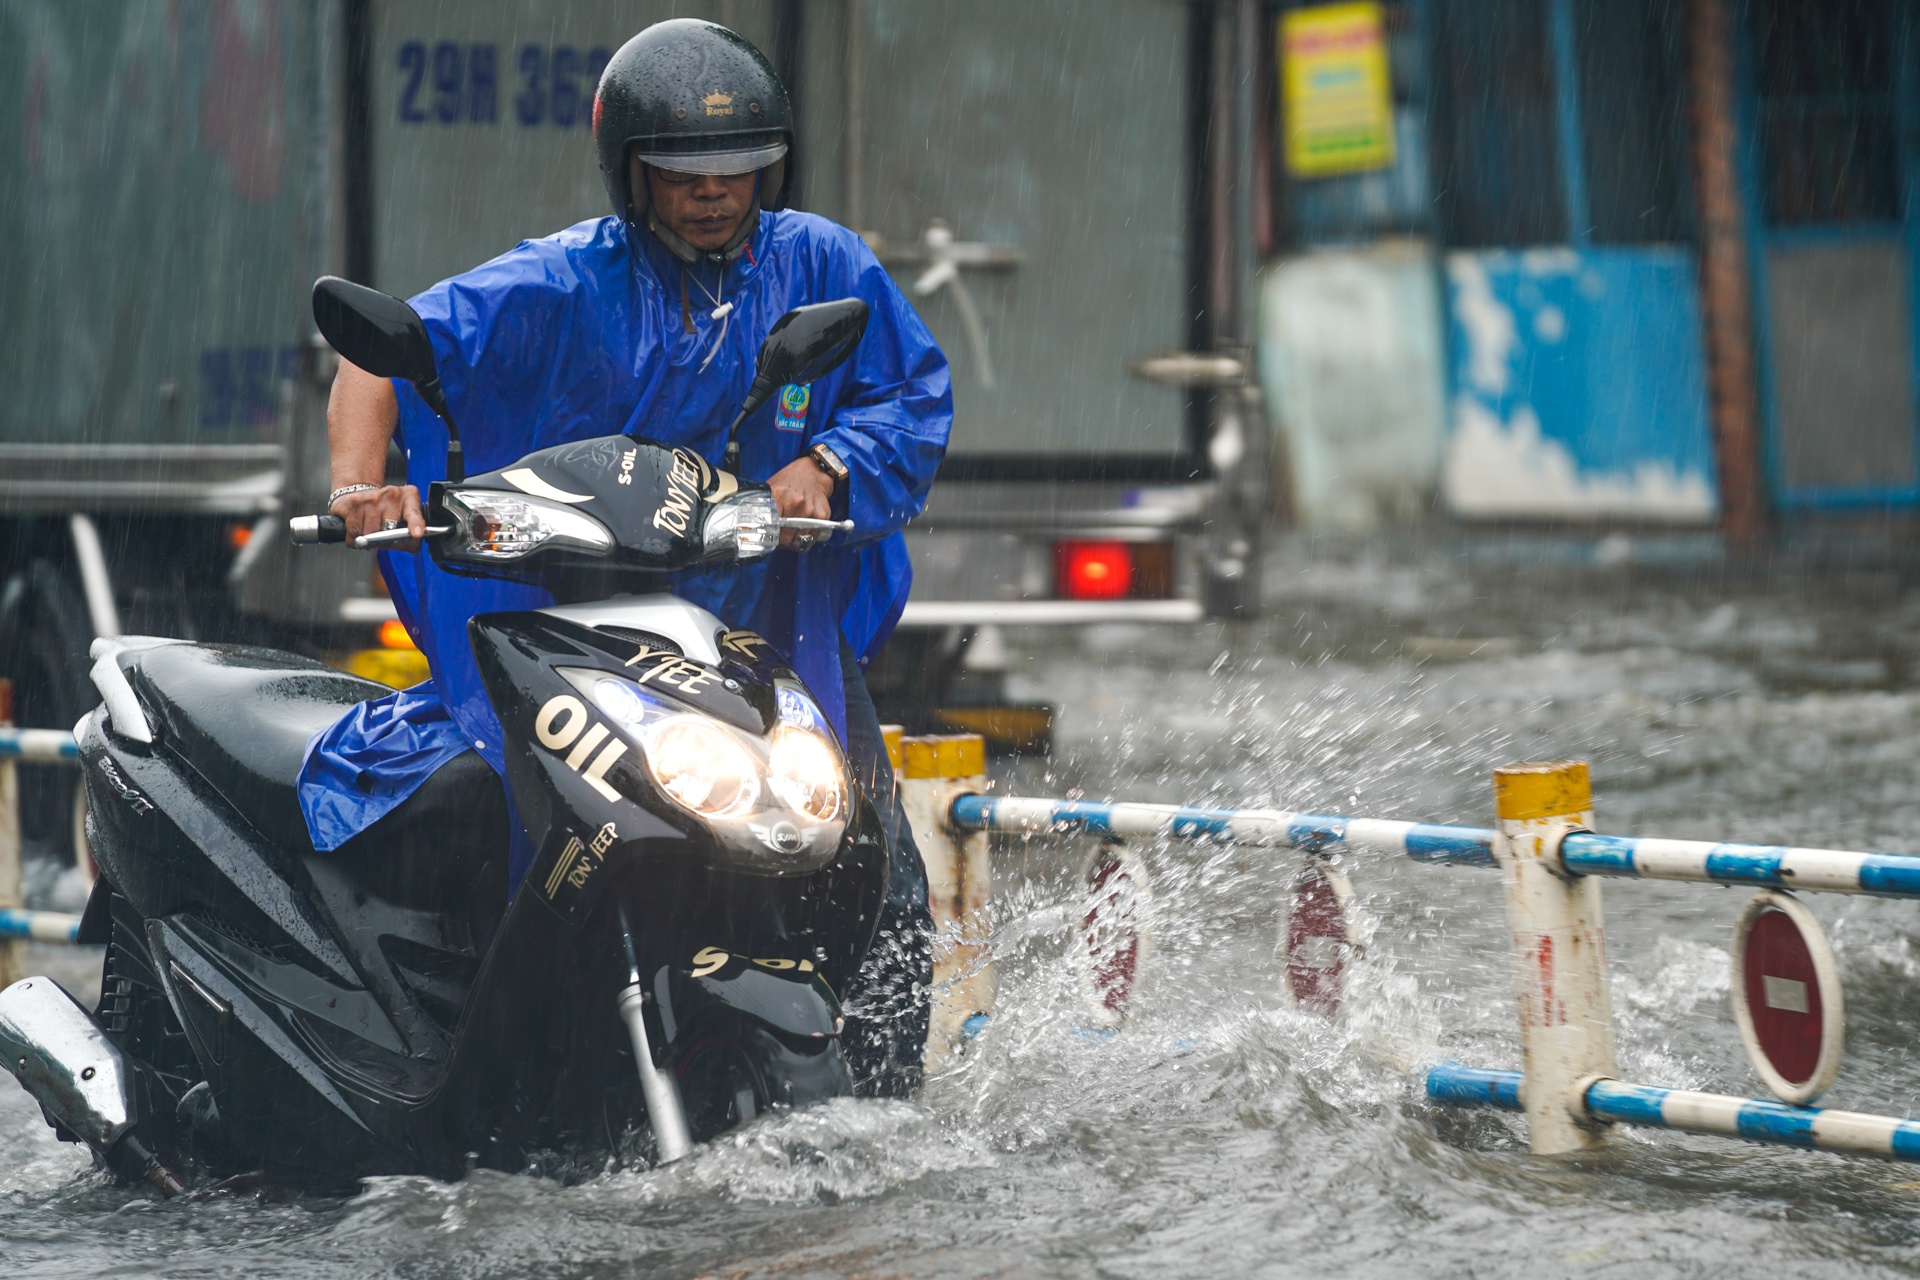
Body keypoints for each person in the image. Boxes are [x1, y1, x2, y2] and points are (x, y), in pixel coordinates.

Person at [298, 18, 952, 1095]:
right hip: (599, 633)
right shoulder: (561, 280)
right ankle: (524, 1081)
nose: (716, 191)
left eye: (740, 167)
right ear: (630, 173)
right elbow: (379, 361)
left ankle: (890, 1106)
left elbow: (912, 397)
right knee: (562, 843)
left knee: (865, 860)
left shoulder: (822, 261)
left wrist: (829, 463)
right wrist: (359, 487)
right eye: (685, 172)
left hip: (773, 627)